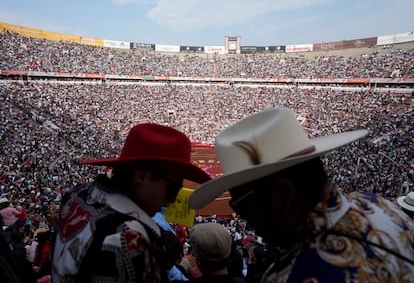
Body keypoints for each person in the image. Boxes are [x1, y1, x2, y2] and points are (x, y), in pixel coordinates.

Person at [189, 107, 414, 282]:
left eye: (241, 205)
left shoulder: (289, 275)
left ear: (281, 194)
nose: (242, 216)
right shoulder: (381, 205)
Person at [52, 123, 211, 282]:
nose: (173, 200)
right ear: (141, 177)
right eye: (173, 188)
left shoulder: (79, 193)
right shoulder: (131, 238)